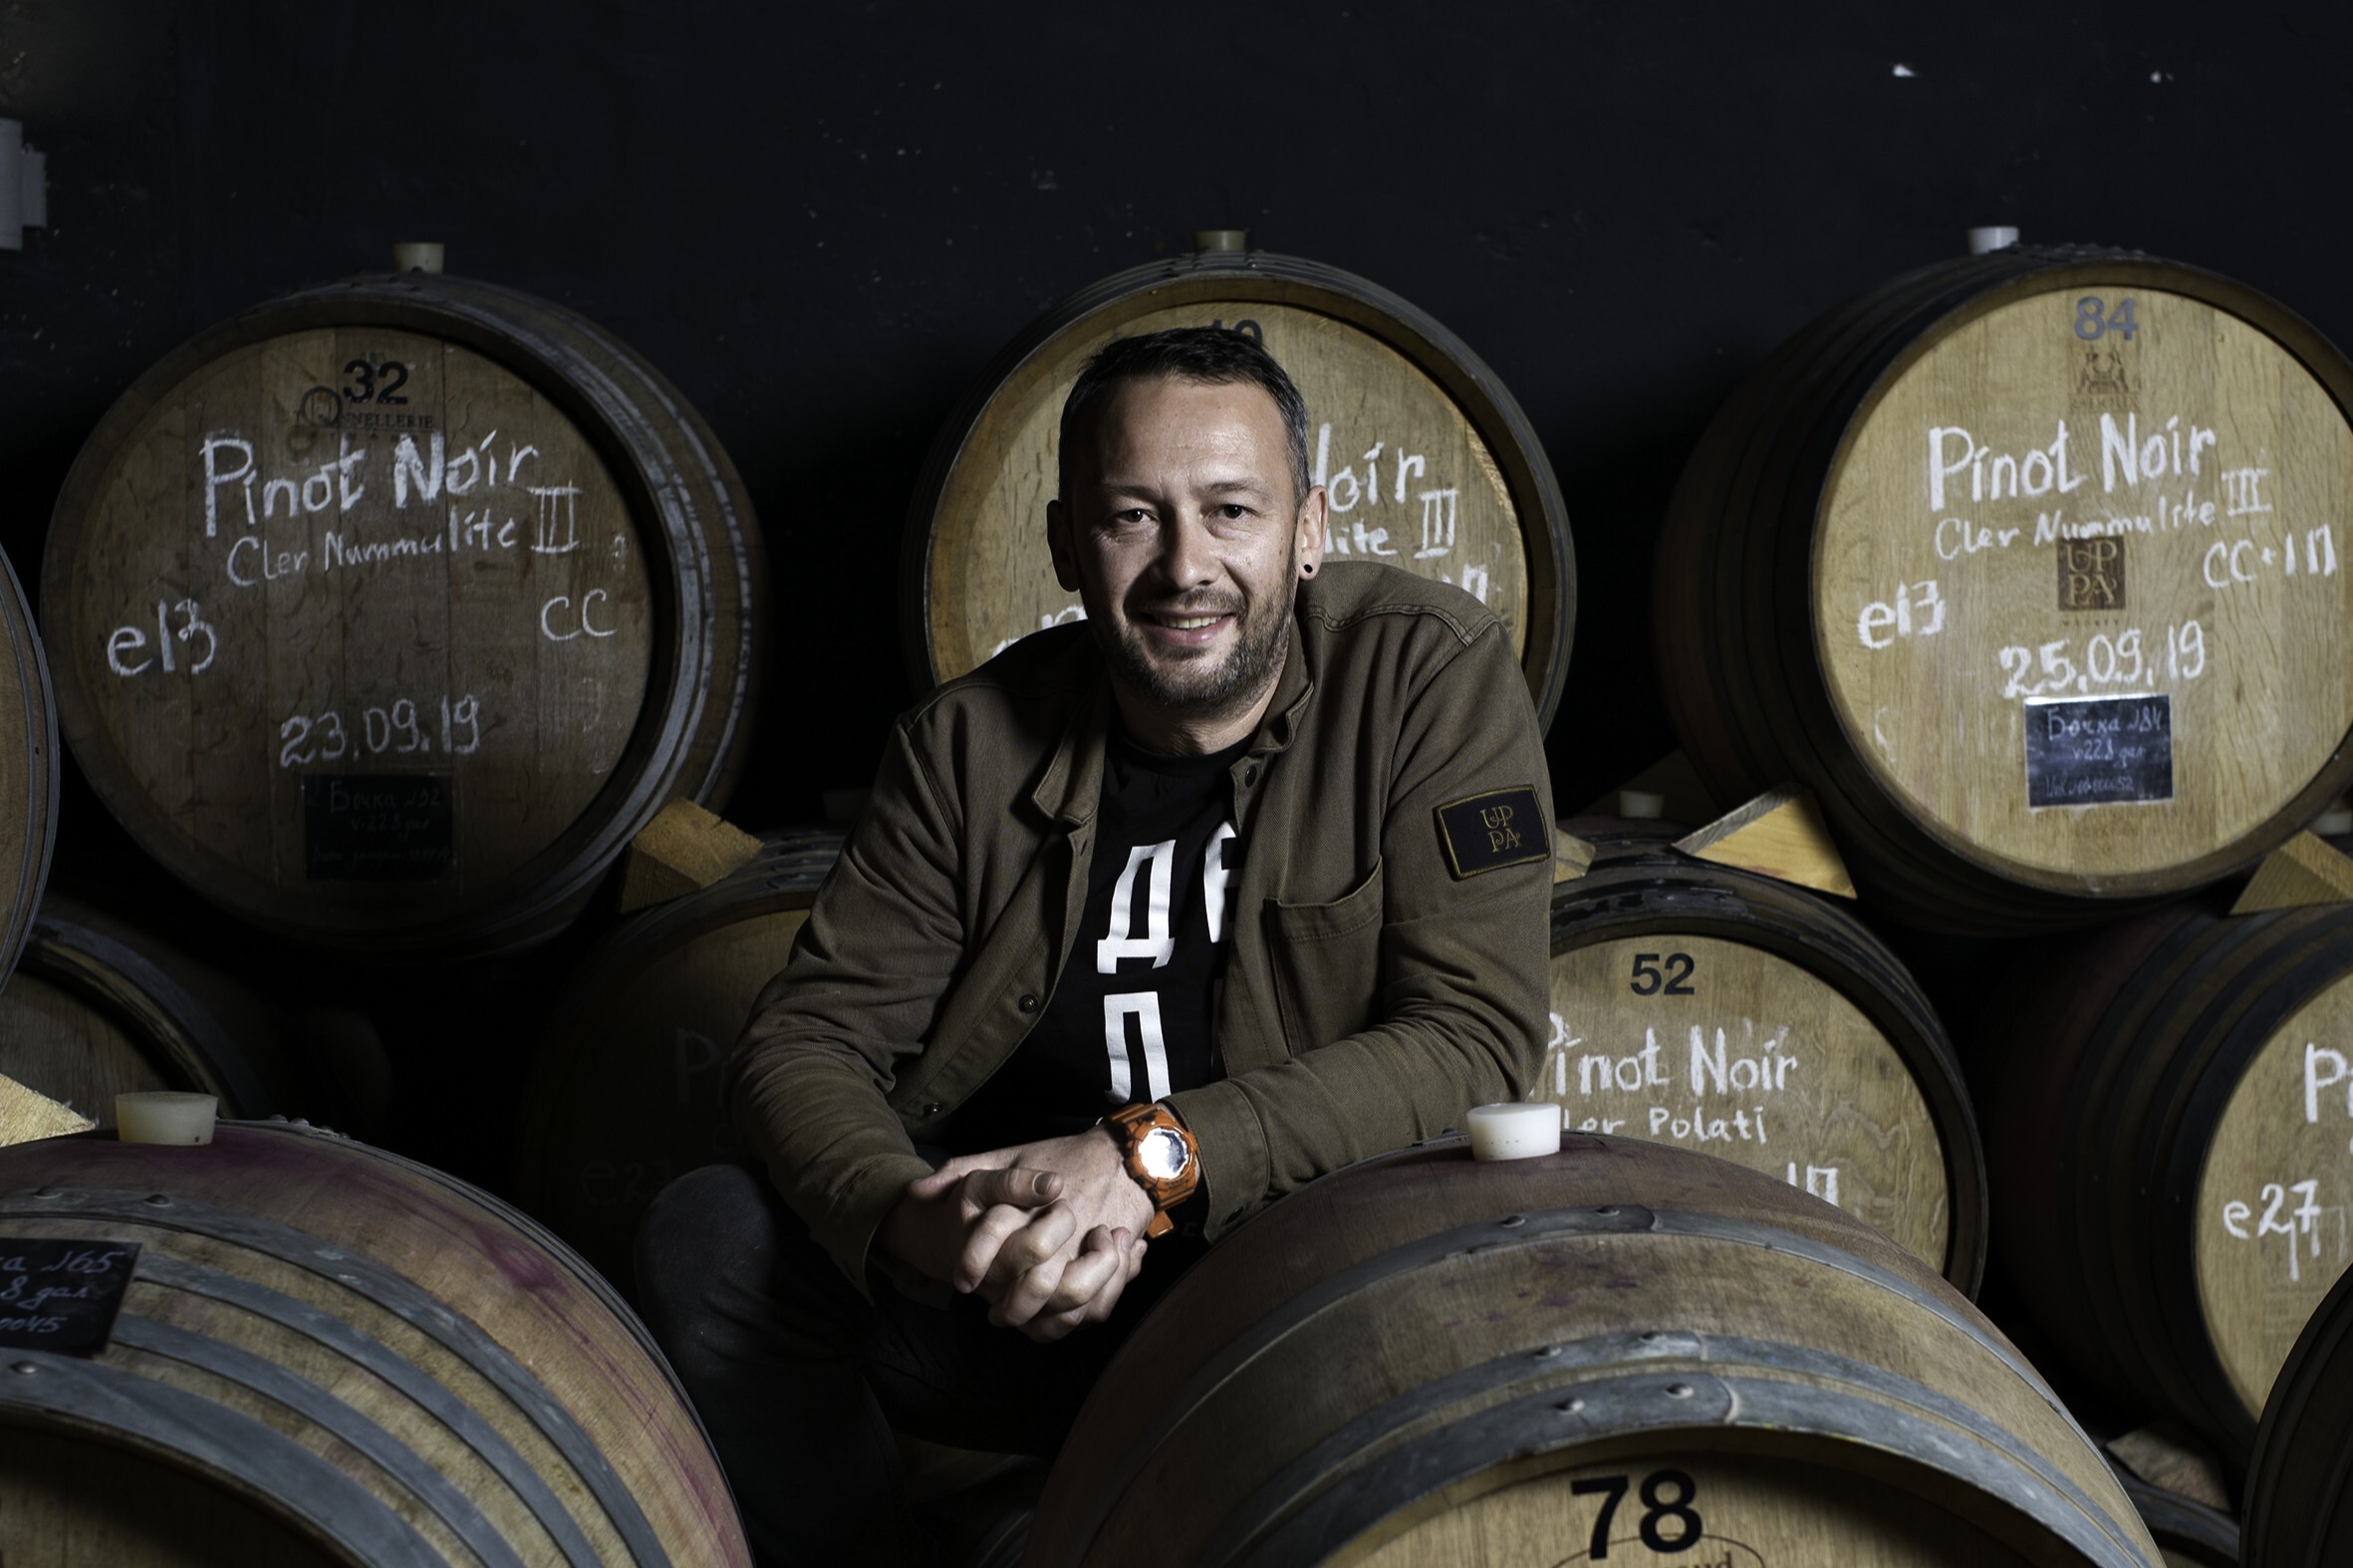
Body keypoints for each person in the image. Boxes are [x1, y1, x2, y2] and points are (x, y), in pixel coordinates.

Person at [636, 327, 1554, 1567]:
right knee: (710, 1234)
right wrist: (915, 1213)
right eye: (1133, 516)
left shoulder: (1424, 675)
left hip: (1281, 1293)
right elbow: (804, 1038)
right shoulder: (964, 744)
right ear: (1067, 544)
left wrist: (1146, 1158)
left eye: (1231, 510)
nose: (1186, 566)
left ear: (1309, 530)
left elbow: (1474, 1040)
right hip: (1005, 1285)